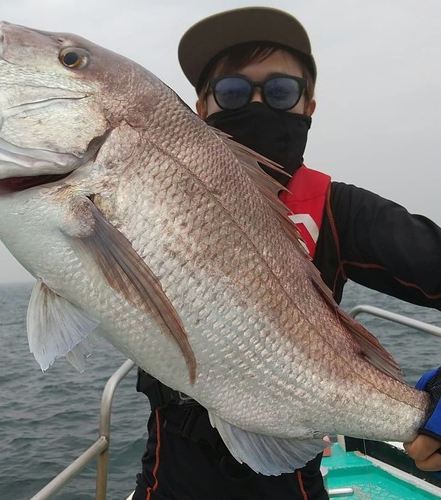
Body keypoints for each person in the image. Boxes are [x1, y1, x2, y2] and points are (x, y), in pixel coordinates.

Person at [134, 7, 441, 499]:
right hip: (170, 472)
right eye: (233, 91)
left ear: (308, 107)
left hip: (288, 482)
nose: (256, 103)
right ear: (200, 108)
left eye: (280, 91)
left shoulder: (340, 209)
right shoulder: (144, 188)